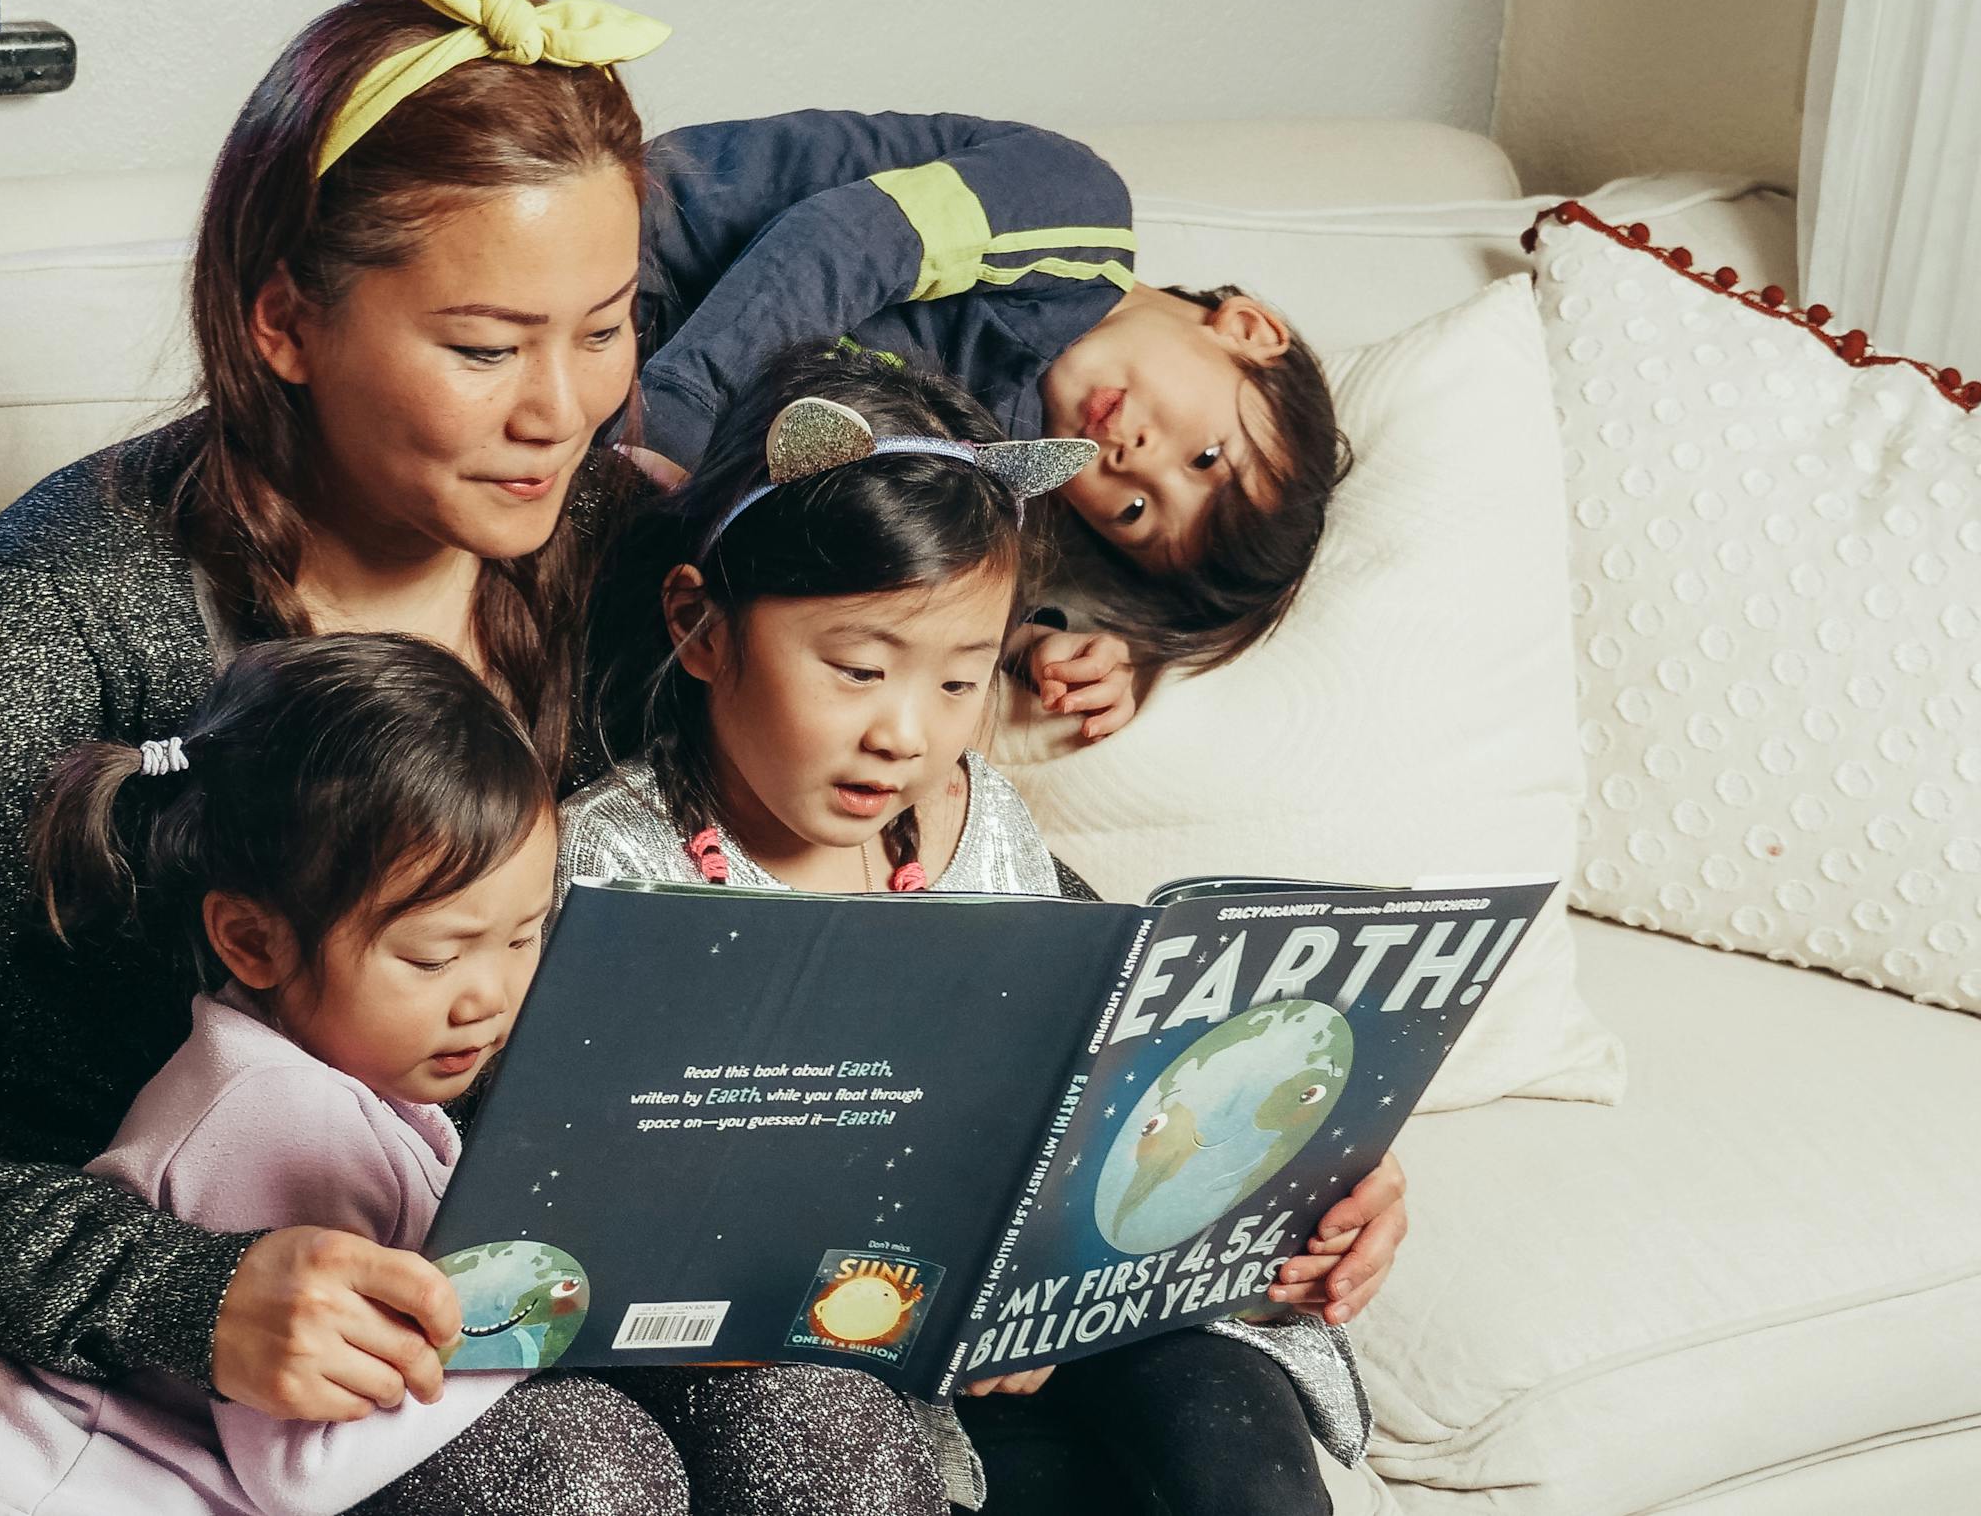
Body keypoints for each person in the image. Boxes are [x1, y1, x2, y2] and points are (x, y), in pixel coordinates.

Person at [0, 0, 671, 1477]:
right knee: (573, 1474)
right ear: (282, 318)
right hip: (121, 1389)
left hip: (507, 1299)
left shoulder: (627, 552)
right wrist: (186, 1295)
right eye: (488, 345)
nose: (563, 412)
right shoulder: (79, 597)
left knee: (854, 1419)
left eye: (607, 326)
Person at [564, 344, 1406, 1515]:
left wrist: (1307, 1185)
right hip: (836, 1380)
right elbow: (589, 1229)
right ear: (702, 629)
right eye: (857, 668)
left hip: (1045, 1328)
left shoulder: (978, 823)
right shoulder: (608, 869)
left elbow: (1131, 1092)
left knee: (1217, 1401)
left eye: (960, 680)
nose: (905, 733)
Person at [0, 634, 693, 1516]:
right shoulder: (267, 1120)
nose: (487, 998)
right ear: (253, 941)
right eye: (432, 957)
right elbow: (303, 1472)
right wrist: (536, 1313)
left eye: (524, 935)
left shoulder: (358, 1077)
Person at [635, 111, 1353, 697]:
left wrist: (1025, 641)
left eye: (1134, 514)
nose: (1135, 462)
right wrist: (681, 412)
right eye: (1205, 456)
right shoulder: (1080, 213)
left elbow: (899, 564)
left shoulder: (1003, 458)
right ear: (1249, 331)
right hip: (654, 246)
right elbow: (851, 240)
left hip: (627, 392)